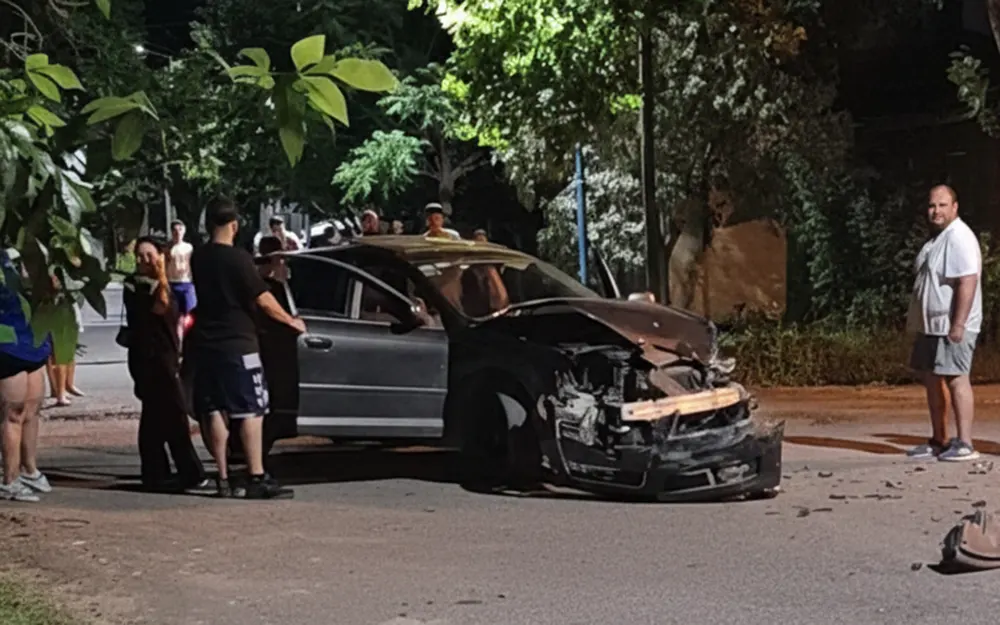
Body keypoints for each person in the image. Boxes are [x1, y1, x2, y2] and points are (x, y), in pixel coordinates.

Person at [189, 198, 306, 498]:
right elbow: (262, 298)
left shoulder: (198, 258)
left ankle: (224, 477)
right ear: (235, 225)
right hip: (238, 342)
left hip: (205, 342)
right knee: (251, 409)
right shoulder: (238, 259)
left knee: (215, 409)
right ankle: (256, 476)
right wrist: (291, 321)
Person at [124, 237, 211, 493]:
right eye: (140, 256)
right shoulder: (137, 286)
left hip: (167, 355)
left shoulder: (168, 285)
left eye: (149, 255)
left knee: (154, 416)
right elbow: (160, 308)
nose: (144, 261)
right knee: (174, 414)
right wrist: (161, 275)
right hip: (151, 359)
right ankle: (189, 471)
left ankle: (155, 471)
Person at [905, 184, 983, 462]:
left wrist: (958, 324)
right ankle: (940, 440)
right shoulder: (938, 239)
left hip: (951, 325)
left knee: (956, 379)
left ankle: (965, 442)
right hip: (930, 325)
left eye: (941, 205)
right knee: (931, 378)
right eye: (931, 206)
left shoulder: (959, 237)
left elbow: (968, 280)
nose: (935, 211)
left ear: (954, 207)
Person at [0, 250, 53, 502]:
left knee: (32, 410)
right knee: (13, 412)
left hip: (32, 338)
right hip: (7, 343)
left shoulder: (25, 250)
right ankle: (9, 478)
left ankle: (29, 470)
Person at [166, 220, 197, 339]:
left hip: (187, 283)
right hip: (172, 283)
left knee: (189, 314)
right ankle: (177, 340)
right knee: (175, 316)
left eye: (180, 230)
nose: (177, 233)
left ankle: (189, 338)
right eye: (175, 230)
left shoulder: (189, 248)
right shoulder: (168, 248)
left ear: (184, 231)